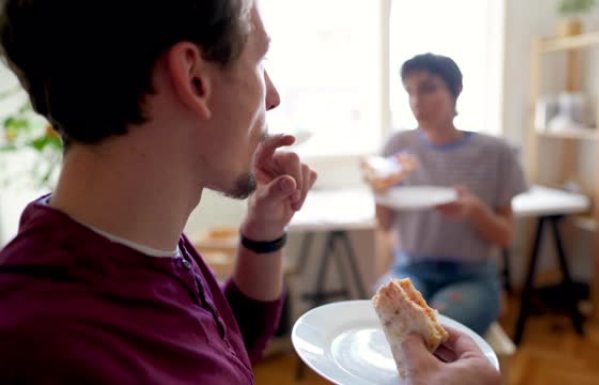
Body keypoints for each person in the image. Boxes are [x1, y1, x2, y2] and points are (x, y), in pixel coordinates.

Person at [0, 1, 499, 384]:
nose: (274, 94)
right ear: (194, 78)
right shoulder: (40, 348)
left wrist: (263, 234)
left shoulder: (140, 243)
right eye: (260, 57)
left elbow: (223, 342)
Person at [375, 53, 527, 336]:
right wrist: (379, 190)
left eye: (428, 88)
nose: (417, 101)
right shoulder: (398, 146)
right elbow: (385, 224)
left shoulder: (495, 152)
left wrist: (475, 210)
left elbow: (505, 237)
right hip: (411, 269)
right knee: (389, 316)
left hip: (472, 276)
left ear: (455, 90)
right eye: (410, 91)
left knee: (438, 328)